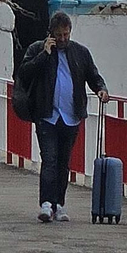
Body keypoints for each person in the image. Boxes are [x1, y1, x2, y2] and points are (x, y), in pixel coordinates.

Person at [17, 11, 109, 223]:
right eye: (58, 35)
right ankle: (46, 204)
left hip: (71, 116)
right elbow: (24, 73)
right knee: (49, 160)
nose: (62, 39)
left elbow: (93, 76)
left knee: (63, 163)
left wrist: (101, 89)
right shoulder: (37, 49)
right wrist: (44, 55)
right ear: (51, 34)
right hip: (47, 115)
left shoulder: (80, 53)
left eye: (66, 35)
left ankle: (59, 204)